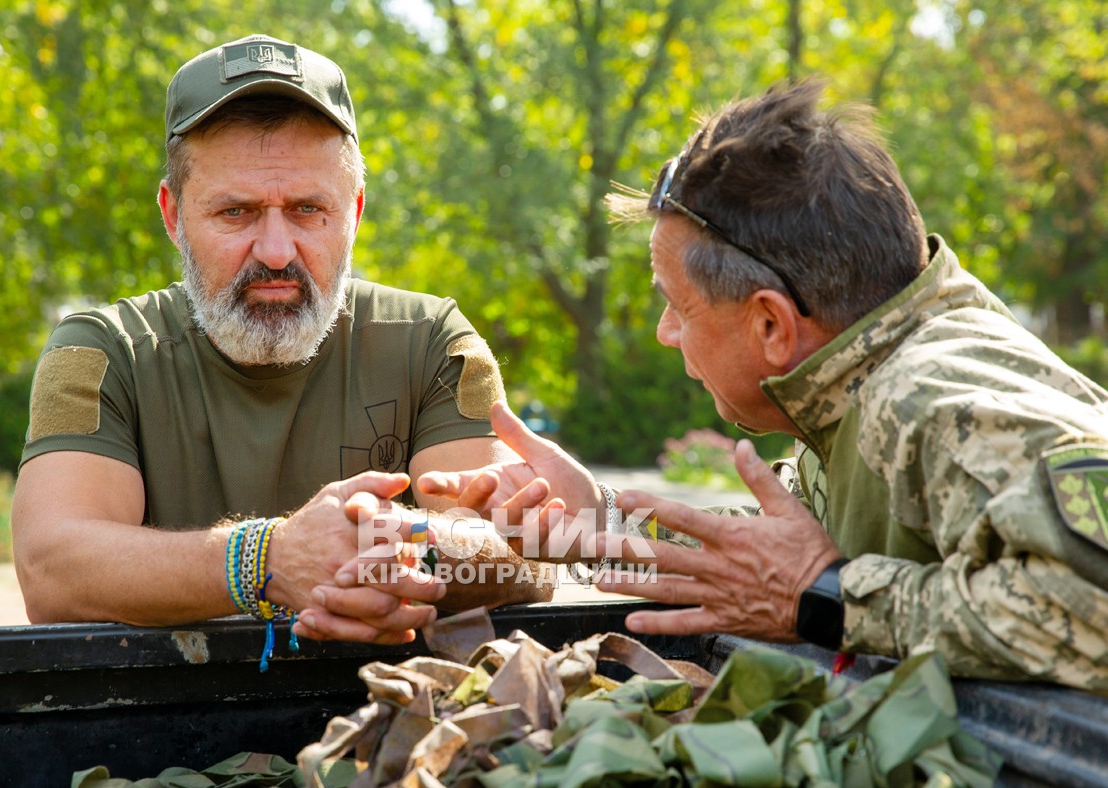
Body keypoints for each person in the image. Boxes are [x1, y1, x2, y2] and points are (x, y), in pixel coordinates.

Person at [416, 79, 1108, 690]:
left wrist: (825, 599)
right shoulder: (850, 385)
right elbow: (771, 559)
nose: (663, 332)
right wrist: (597, 521)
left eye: (677, 305)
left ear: (771, 323)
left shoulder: (934, 397)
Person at [11, 34, 552, 646]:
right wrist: (267, 558)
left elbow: (523, 550)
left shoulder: (435, 344)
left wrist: (374, 549)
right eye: (235, 212)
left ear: (354, 211)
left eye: (307, 210)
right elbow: (51, 570)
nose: (274, 251)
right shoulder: (99, 354)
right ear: (173, 216)